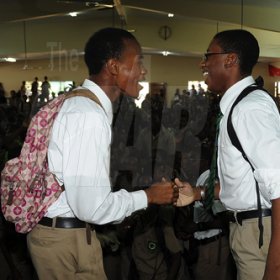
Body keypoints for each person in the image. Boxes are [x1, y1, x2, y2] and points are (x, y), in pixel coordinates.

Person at [26, 27, 179, 280]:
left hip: (66, 237)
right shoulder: (88, 115)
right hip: (65, 243)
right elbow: (92, 207)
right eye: (138, 62)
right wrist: (148, 196)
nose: (143, 71)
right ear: (113, 66)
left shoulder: (81, 103)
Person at [175, 29, 280, 280]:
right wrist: (199, 193)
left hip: (261, 234)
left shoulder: (249, 109)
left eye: (208, 55)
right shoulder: (237, 107)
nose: (203, 63)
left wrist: (274, 270)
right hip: (249, 230)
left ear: (230, 59)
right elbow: (245, 182)